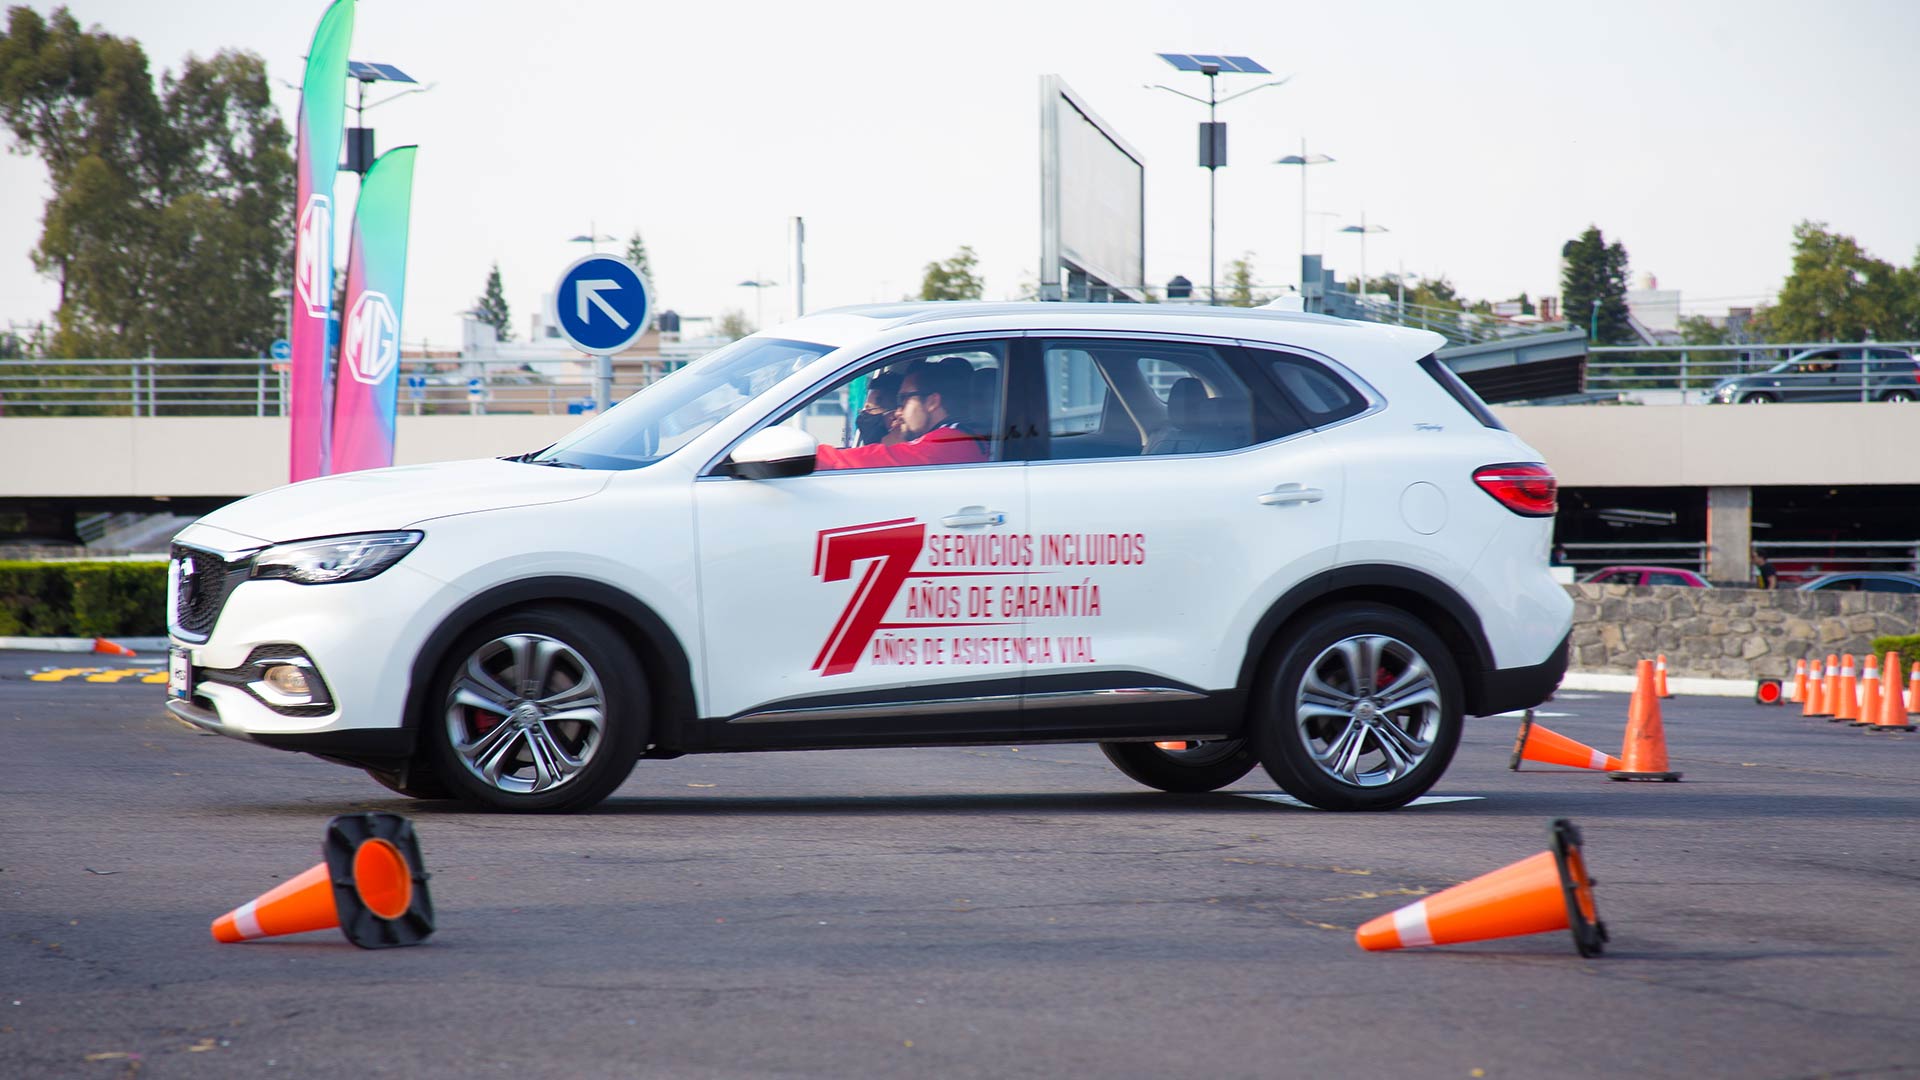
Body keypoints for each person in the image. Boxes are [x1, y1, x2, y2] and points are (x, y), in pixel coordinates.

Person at [815, 360, 987, 470]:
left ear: (932, 402)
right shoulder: (961, 435)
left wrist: (810, 458)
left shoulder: (950, 441)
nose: (898, 411)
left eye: (904, 399)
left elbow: (879, 458)